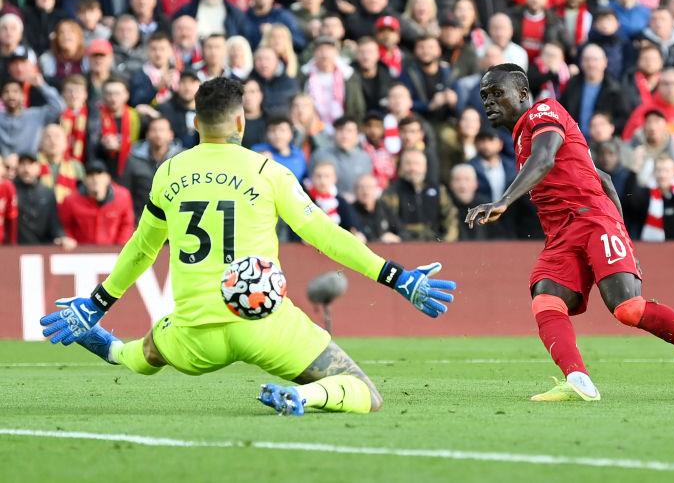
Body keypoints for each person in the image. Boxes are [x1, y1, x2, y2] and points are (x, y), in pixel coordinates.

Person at [39, 78, 456, 417]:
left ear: (195, 124)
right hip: (265, 325)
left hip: (194, 335)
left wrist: (97, 302)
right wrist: (396, 276)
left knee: (142, 353)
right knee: (364, 394)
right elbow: (326, 236)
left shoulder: (168, 172)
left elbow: (143, 248)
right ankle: (304, 398)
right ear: (240, 122)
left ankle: (108, 346)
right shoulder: (267, 172)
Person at [467, 63, 674, 402]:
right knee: (546, 297)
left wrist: (504, 200)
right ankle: (579, 381)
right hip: (563, 234)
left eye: (496, 93)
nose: (489, 102)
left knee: (628, 309)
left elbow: (546, 159)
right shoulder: (523, 138)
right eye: (484, 96)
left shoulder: (544, 111)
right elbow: (604, 179)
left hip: (593, 220)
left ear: (522, 94)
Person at [57, 160, 135, 246]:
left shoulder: (123, 197)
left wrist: (119, 248)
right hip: (82, 254)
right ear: (84, 180)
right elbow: (66, 226)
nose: (95, 179)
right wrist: (72, 244)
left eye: (99, 174)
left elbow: (127, 224)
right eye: (90, 175)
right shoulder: (71, 200)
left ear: (108, 178)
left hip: (114, 252)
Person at [13, 154, 76, 249]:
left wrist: (62, 237)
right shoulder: (10, 190)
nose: (26, 169)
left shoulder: (47, 193)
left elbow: (54, 223)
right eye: (22, 164)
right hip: (14, 249)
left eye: (30, 164)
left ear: (38, 168)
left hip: (42, 248)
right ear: (17, 168)